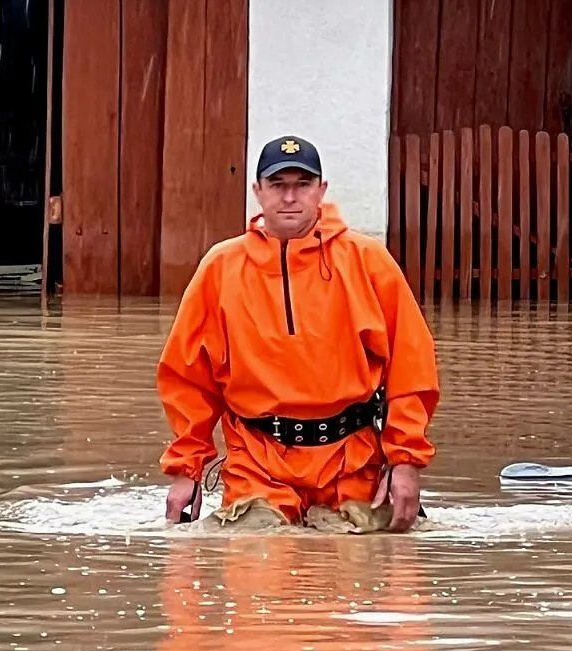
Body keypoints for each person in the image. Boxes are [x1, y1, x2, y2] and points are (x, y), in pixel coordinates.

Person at [157, 134, 440, 531]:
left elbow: (411, 369)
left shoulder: (368, 261)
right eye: (278, 185)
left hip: (353, 466)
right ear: (258, 191)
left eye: (302, 185)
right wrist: (186, 470)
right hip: (257, 466)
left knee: (372, 572)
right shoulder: (220, 268)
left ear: (321, 190)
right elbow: (189, 379)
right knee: (255, 571)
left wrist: (405, 462)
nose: (290, 197)